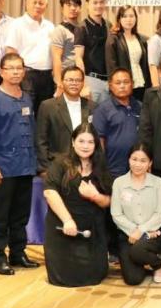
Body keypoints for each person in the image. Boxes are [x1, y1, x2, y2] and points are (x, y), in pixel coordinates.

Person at [0, 53, 39, 275]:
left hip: (25, 165)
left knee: (21, 213)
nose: (15, 72)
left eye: (19, 68)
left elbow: (32, 130)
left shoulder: (27, 97)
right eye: (11, 68)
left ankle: (18, 253)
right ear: (1, 72)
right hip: (3, 167)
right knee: (2, 213)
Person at [42, 123, 112, 287]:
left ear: (96, 145)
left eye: (90, 142)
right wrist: (67, 220)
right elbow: (49, 193)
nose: (85, 146)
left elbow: (109, 201)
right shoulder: (60, 163)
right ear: (73, 142)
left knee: (95, 276)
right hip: (64, 226)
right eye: (81, 141)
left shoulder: (100, 166)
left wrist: (94, 196)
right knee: (66, 278)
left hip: (91, 230)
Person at [111, 143, 161, 285]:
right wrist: (133, 231)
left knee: (137, 251)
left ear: (150, 163)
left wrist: (142, 231)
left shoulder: (158, 182)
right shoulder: (119, 183)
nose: (138, 164)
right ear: (129, 159)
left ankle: (157, 265)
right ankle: (143, 261)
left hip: (153, 234)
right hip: (127, 235)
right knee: (133, 279)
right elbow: (116, 214)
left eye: (143, 160)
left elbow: (160, 213)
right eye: (134, 159)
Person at [36, 66, 95, 174]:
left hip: (86, 167)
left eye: (78, 80)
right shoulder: (48, 106)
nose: (74, 83)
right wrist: (45, 169)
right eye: (70, 80)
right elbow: (41, 140)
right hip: (57, 167)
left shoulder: (92, 106)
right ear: (62, 82)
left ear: (83, 83)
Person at [5, 0, 55, 115]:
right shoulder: (17, 24)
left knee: (45, 113)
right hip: (27, 75)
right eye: (34, 2)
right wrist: (15, 74)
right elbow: (10, 52)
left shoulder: (50, 26)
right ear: (26, 4)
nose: (38, 6)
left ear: (46, 6)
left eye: (41, 3)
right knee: (26, 112)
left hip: (47, 76)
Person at [92, 68, 142, 179]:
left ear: (132, 84)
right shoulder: (103, 109)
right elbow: (99, 141)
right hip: (113, 169)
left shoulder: (140, 107)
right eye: (118, 83)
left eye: (126, 82)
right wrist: (102, 167)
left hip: (138, 168)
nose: (122, 86)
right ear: (110, 86)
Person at [105, 5, 151, 101]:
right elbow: (111, 66)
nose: (128, 19)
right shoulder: (113, 39)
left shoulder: (141, 39)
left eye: (131, 16)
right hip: (123, 86)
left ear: (135, 18)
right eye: (124, 16)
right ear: (119, 19)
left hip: (140, 83)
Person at [74, 0, 111, 105]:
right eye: (95, 2)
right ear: (87, 5)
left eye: (101, 2)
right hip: (91, 81)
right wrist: (83, 85)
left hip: (108, 81)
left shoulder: (108, 25)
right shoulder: (81, 28)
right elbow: (78, 58)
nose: (98, 5)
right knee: (91, 115)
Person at [50, 0, 82, 96]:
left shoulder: (82, 28)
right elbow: (56, 57)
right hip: (66, 78)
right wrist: (59, 82)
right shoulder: (60, 30)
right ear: (62, 8)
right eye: (68, 5)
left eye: (75, 5)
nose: (73, 8)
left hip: (79, 78)